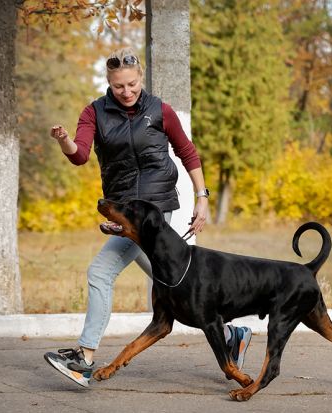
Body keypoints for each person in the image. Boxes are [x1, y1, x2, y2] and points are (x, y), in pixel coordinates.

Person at [44, 48, 252, 388]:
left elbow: (187, 152)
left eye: (132, 84)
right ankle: (232, 335)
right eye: (118, 86)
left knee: (101, 271)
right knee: (171, 280)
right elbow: (80, 156)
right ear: (109, 83)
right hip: (126, 209)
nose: (126, 92)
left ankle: (84, 358)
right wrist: (65, 140)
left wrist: (202, 198)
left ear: (141, 78)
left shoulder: (159, 110)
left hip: (152, 211)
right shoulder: (94, 112)